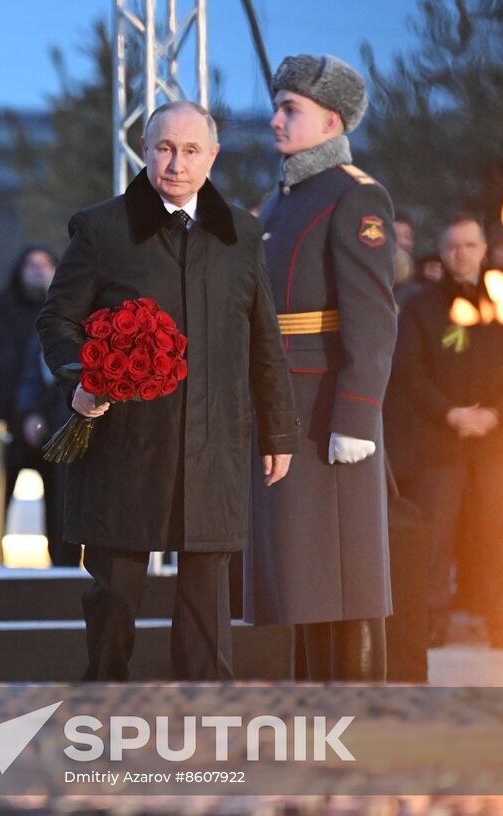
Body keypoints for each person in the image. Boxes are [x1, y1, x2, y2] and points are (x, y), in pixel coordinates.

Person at [37, 101, 299, 682]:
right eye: (162, 148)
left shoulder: (242, 232)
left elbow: (263, 338)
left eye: (189, 150)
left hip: (214, 444)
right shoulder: (101, 229)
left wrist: (279, 430)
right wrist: (80, 380)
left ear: (212, 156)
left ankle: (203, 718)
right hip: (125, 442)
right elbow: (57, 320)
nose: (174, 163)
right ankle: (103, 713)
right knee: (115, 595)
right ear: (144, 149)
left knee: (209, 599)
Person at [249, 55, 398, 681]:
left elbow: (372, 313)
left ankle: (359, 719)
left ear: (331, 120)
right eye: (278, 105)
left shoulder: (354, 195)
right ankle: (315, 714)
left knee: (349, 577)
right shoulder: (284, 196)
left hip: (327, 408)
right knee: (304, 578)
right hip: (286, 401)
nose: (276, 119)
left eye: (292, 109)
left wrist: (357, 415)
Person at [386, 215, 503, 646]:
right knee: (435, 536)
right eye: (454, 246)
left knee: (496, 535)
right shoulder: (420, 305)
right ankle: (430, 622)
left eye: (470, 245)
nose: (462, 253)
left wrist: (496, 414)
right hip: (439, 442)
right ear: (444, 249)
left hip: (497, 442)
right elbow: (409, 370)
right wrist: (450, 413)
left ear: (483, 250)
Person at [0, 246, 77, 566]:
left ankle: (63, 568)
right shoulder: (1, 310)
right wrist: (24, 413)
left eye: (46, 264)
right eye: (31, 263)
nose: (38, 270)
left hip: (58, 419)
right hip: (10, 422)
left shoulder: (67, 311)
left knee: (61, 504)